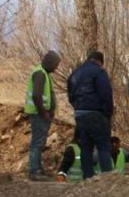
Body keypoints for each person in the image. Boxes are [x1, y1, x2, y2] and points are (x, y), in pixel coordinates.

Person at [67, 51, 113, 179]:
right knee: (103, 146)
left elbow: (70, 96)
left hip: (80, 114)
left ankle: (88, 178)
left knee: (86, 148)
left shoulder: (74, 73)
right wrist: (108, 114)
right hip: (96, 113)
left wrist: (78, 108)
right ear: (99, 61)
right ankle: (108, 179)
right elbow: (106, 94)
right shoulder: (99, 72)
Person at [24, 50, 61, 181]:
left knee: (39, 142)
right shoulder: (40, 73)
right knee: (37, 142)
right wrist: (43, 112)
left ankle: (38, 169)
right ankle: (34, 171)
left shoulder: (44, 73)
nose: (56, 68)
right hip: (38, 114)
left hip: (42, 114)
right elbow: (36, 95)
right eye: (56, 65)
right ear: (50, 62)